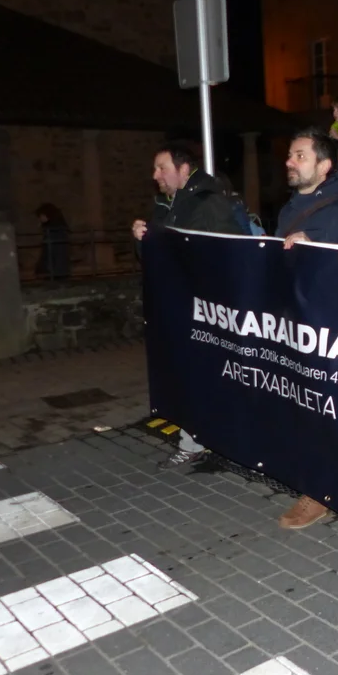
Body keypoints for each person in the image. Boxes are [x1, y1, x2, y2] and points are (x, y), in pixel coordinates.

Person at [276, 127, 338, 529]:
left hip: (335, 335)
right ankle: (317, 480)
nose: (289, 162)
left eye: (299, 156)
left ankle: (322, 492)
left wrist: (317, 249)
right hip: (297, 328)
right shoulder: (289, 209)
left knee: (329, 412)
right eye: (290, 155)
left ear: (324, 165)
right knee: (304, 408)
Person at [132, 143, 248, 470]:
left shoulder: (209, 203)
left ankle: (212, 443)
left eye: (162, 168)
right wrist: (142, 241)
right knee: (189, 378)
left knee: (211, 380)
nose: (155, 175)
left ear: (184, 169)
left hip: (210, 312)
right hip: (181, 309)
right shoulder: (165, 206)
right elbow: (157, 260)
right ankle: (195, 442)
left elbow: (234, 254)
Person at [34, 203, 70, 280]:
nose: (39, 219)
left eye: (40, 216)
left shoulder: (54, 231)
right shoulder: (55, 229)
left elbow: (53, 252)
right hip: (55, 270)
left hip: (54, 270)